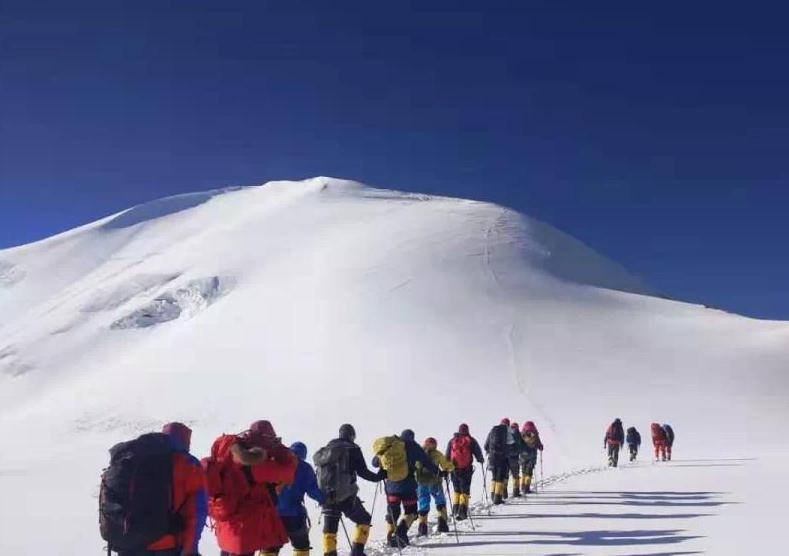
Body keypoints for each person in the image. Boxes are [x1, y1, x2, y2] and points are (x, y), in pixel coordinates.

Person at [104, 422, 208, 556]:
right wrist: (190, 549)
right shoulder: (187, 464)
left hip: (128, 544)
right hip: (166, 546)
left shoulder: (132, 459)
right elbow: (197, 510)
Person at [205, 420, 298, 556]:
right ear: (265, 438)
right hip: (245, 530)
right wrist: (280, 449)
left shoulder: (228, 455)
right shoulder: (255, 462)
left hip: (226, 528)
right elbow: (289, 472)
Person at [314, 424, 385, 556]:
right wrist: (379, 476)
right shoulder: (353, 449)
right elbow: (363, 472)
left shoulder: (326, 450)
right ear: (352, 435)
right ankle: (357, 552)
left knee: (330, 530)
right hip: (346, 496)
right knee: (364, 519)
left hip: (326, 497)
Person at [372, 429, 439, 548]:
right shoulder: (414, 447)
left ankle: (390, 537)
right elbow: (427, 462)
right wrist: (438, 472)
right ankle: (400, 534)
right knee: (411, 511)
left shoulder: (390, 446)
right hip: (408, 486)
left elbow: (374, 463)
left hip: (391, 487)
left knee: (393, 511)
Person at [274, 441, 325, 556]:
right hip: (295, 515)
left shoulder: (277, 463)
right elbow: (312, 490)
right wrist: (323, 499)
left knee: (270, 547)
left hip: (274, 514)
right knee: (301, 546)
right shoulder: (305, 468)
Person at [414, 437, 454, 536]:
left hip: (420, 483)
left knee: (423, 503)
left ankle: (422, 527)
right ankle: (442, 525)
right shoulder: (437, 454)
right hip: (435, 483)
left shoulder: (417, 453)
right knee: (440, 502)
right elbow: (449, 466)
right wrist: (446, 471)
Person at [445, 423, 484, 520]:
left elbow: (447, 455)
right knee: (465, 490)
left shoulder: (452, 441)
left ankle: (455, 509)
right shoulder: (471, 440)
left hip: (454, 469)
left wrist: (446, 467)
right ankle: (462, 511)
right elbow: (477, 452)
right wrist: (480, 459)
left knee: (456, 489)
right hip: (466, 469)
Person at [484, 418, 511, 504]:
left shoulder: (493, 430)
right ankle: (497, 498)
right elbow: (511, 446)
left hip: (492, 458)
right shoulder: (508, 432)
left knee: (494, 477)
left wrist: (490, 451)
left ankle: (492, 495)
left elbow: (485, 445)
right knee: (500, 478)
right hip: (502, 459)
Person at [519, 421, 543, 494]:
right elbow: (539, 445)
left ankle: (522, 486)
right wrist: (540, 447)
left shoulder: (522, 433)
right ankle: (527, 488)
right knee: (529, 472)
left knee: (523, 471)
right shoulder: (534, 433)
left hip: (523, 455)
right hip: (532, 455)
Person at [505, 421, 525, 497]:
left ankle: (504, 493)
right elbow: (523, 446)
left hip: (506, 457)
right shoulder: (518, 434)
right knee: (515, 475)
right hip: (515, 458)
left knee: (505, 475)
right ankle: (516, 492)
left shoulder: (507, 433)